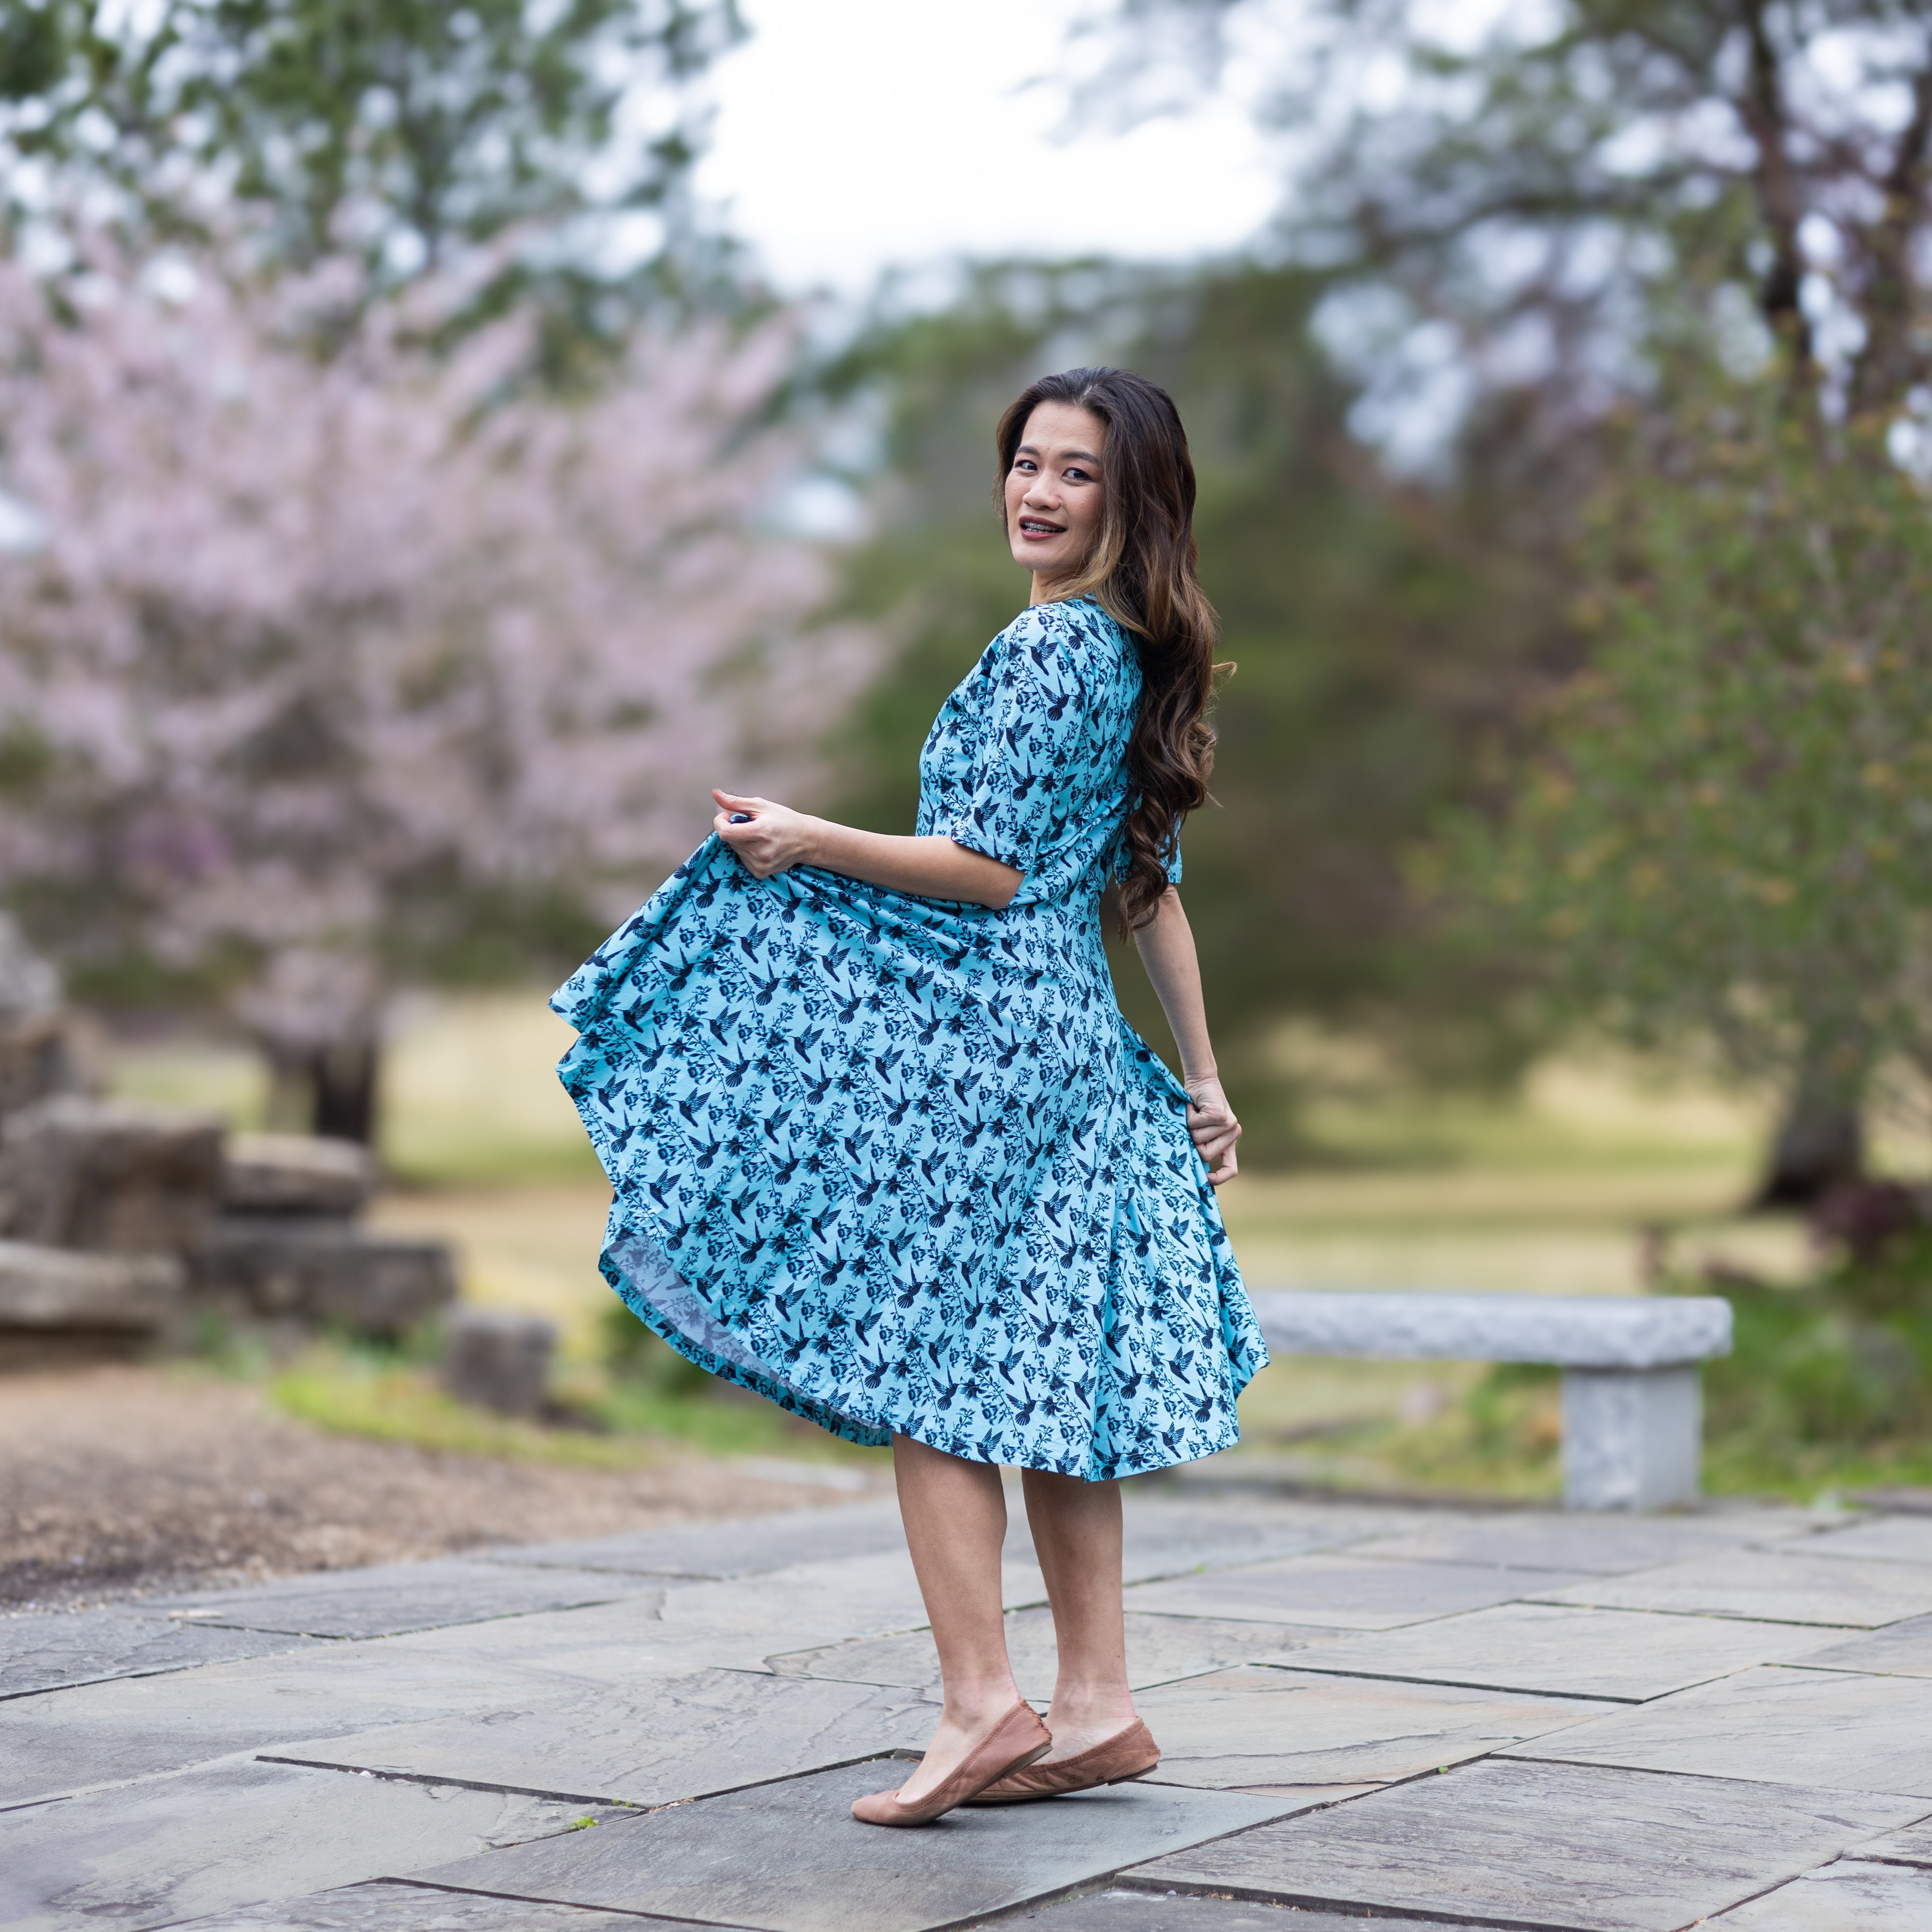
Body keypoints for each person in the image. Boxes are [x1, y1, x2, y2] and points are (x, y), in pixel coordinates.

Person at [553, 365, 1267, 1826]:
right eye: (1026, 460)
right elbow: (1146, 892)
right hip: (1070, 1051)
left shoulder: (1052, 655)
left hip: (990, 1051)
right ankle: (1098, 1703)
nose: (1037, 490)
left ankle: (979, 1705)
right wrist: (1201, 1076)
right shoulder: (1127, 655)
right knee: (1050, 1376)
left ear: (1130, 500)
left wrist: (816, 837)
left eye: (1076, 472)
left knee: (934, 1370)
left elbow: (992, 874)